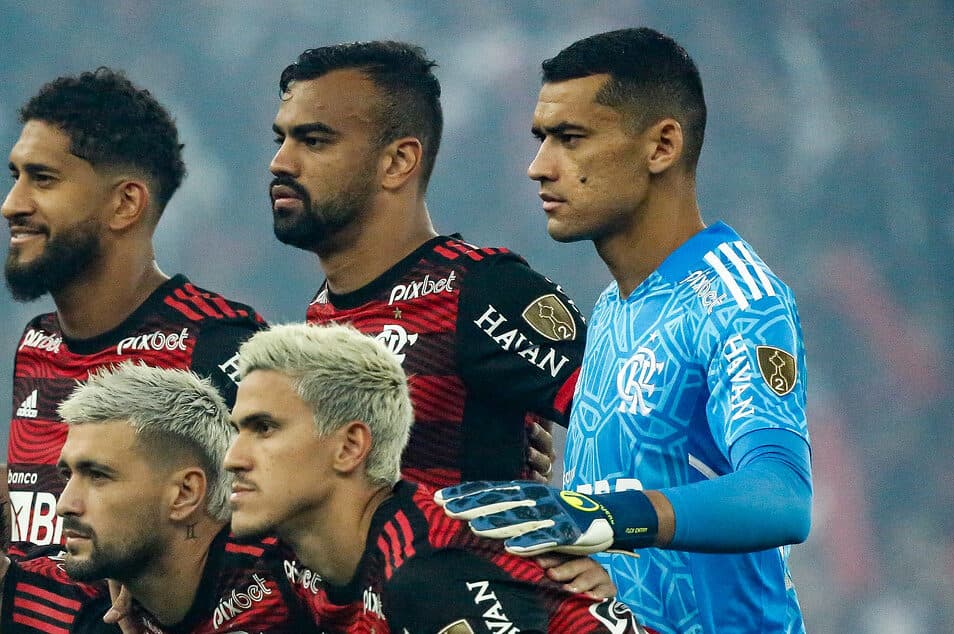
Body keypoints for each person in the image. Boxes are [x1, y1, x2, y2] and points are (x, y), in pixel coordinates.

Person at [437, 28, 813, 633]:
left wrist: (606, 515)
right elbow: (623, 513)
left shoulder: (739, 299)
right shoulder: (613, 308)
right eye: (541, 139)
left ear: (662, 145)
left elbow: (783, 496)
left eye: (570, 138)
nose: (538, 167)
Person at [268, 41, 584, 488]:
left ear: (398, 161)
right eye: (281, 139)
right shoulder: (321, 313)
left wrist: (578, 527)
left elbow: (625, 422)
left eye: (314, 141)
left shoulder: (482, 289)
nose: (279, 162)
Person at [224, 321, 650, 633]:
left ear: (349, 447)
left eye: (264, 428)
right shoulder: (301, 564)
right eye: (237, 429)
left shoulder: (431, 575)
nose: (233, 459)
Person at [2, 68, 264, 546]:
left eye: (42, 179)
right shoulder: (35, 343)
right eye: (15, 176)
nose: (11, 204)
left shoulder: (220, 344)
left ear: (125, 204)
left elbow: (276, 551)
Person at [0, 363, 315, 633]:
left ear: (184, 494)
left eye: (98, 476)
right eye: (67, 476)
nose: (64, 505)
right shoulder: (74, 593)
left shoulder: (298, 571)